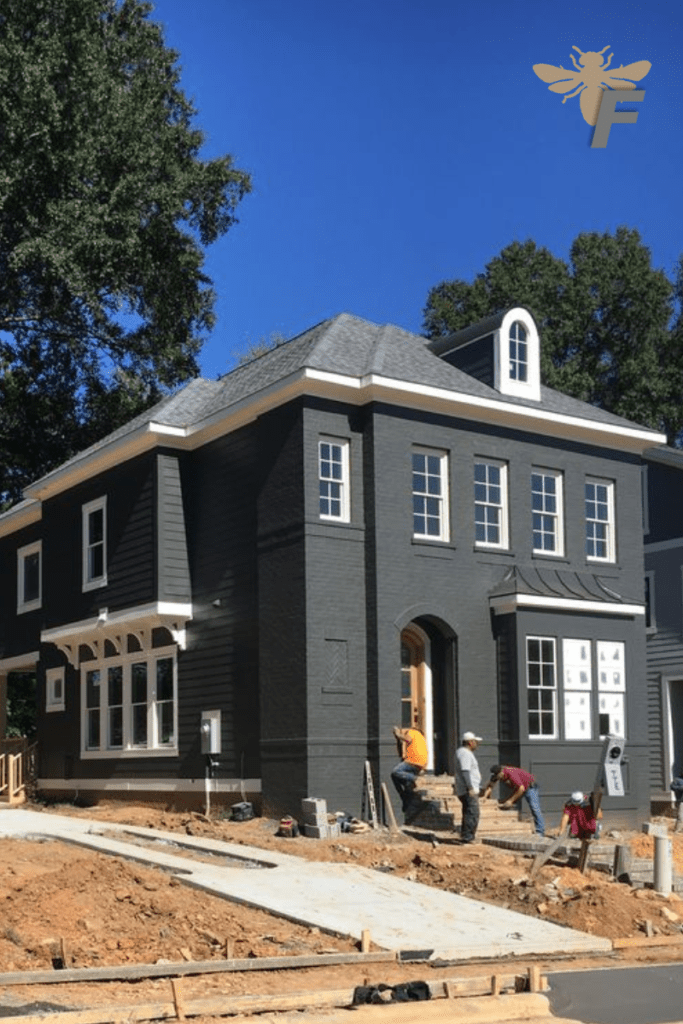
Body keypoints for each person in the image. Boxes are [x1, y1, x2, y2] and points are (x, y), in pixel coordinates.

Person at [482, 764, 545, 836]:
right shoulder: (497, 775)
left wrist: (510, 801)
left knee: (535, 808)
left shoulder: (511, 773)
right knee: (506, 802)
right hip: (519, 788)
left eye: (499, 776)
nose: (499, 778)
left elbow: (521, 788)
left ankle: (540, 831)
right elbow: (490, 786)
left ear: (502, 772)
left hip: (530, 787)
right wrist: (484, 797)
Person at [390, 726, 428, 820]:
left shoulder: (411, 732)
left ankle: (415, 779)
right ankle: (406, 802)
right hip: (419, 763)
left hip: (413, 761)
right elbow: (401, 753)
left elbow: (407, 739)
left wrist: (398, 734)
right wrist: (398, 739)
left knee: (395, 772)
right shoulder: (420, 737)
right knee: (407, 786)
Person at [454, 731, 482, 843]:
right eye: (476, 742)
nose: (477, 744)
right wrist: (470, 787)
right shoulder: (465, 753)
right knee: (473, 812)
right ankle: (468, 837)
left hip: (465, 789)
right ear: (470, 742)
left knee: (468, 812)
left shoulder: (461, 752)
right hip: (468, 790)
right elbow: (465, 771)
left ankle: (466, 835)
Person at [671, 768, 683, 834]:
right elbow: (672, 787)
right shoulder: (677, 780)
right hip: (681, 801)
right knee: (681, 816)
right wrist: (680, 788)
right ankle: (677, 831)